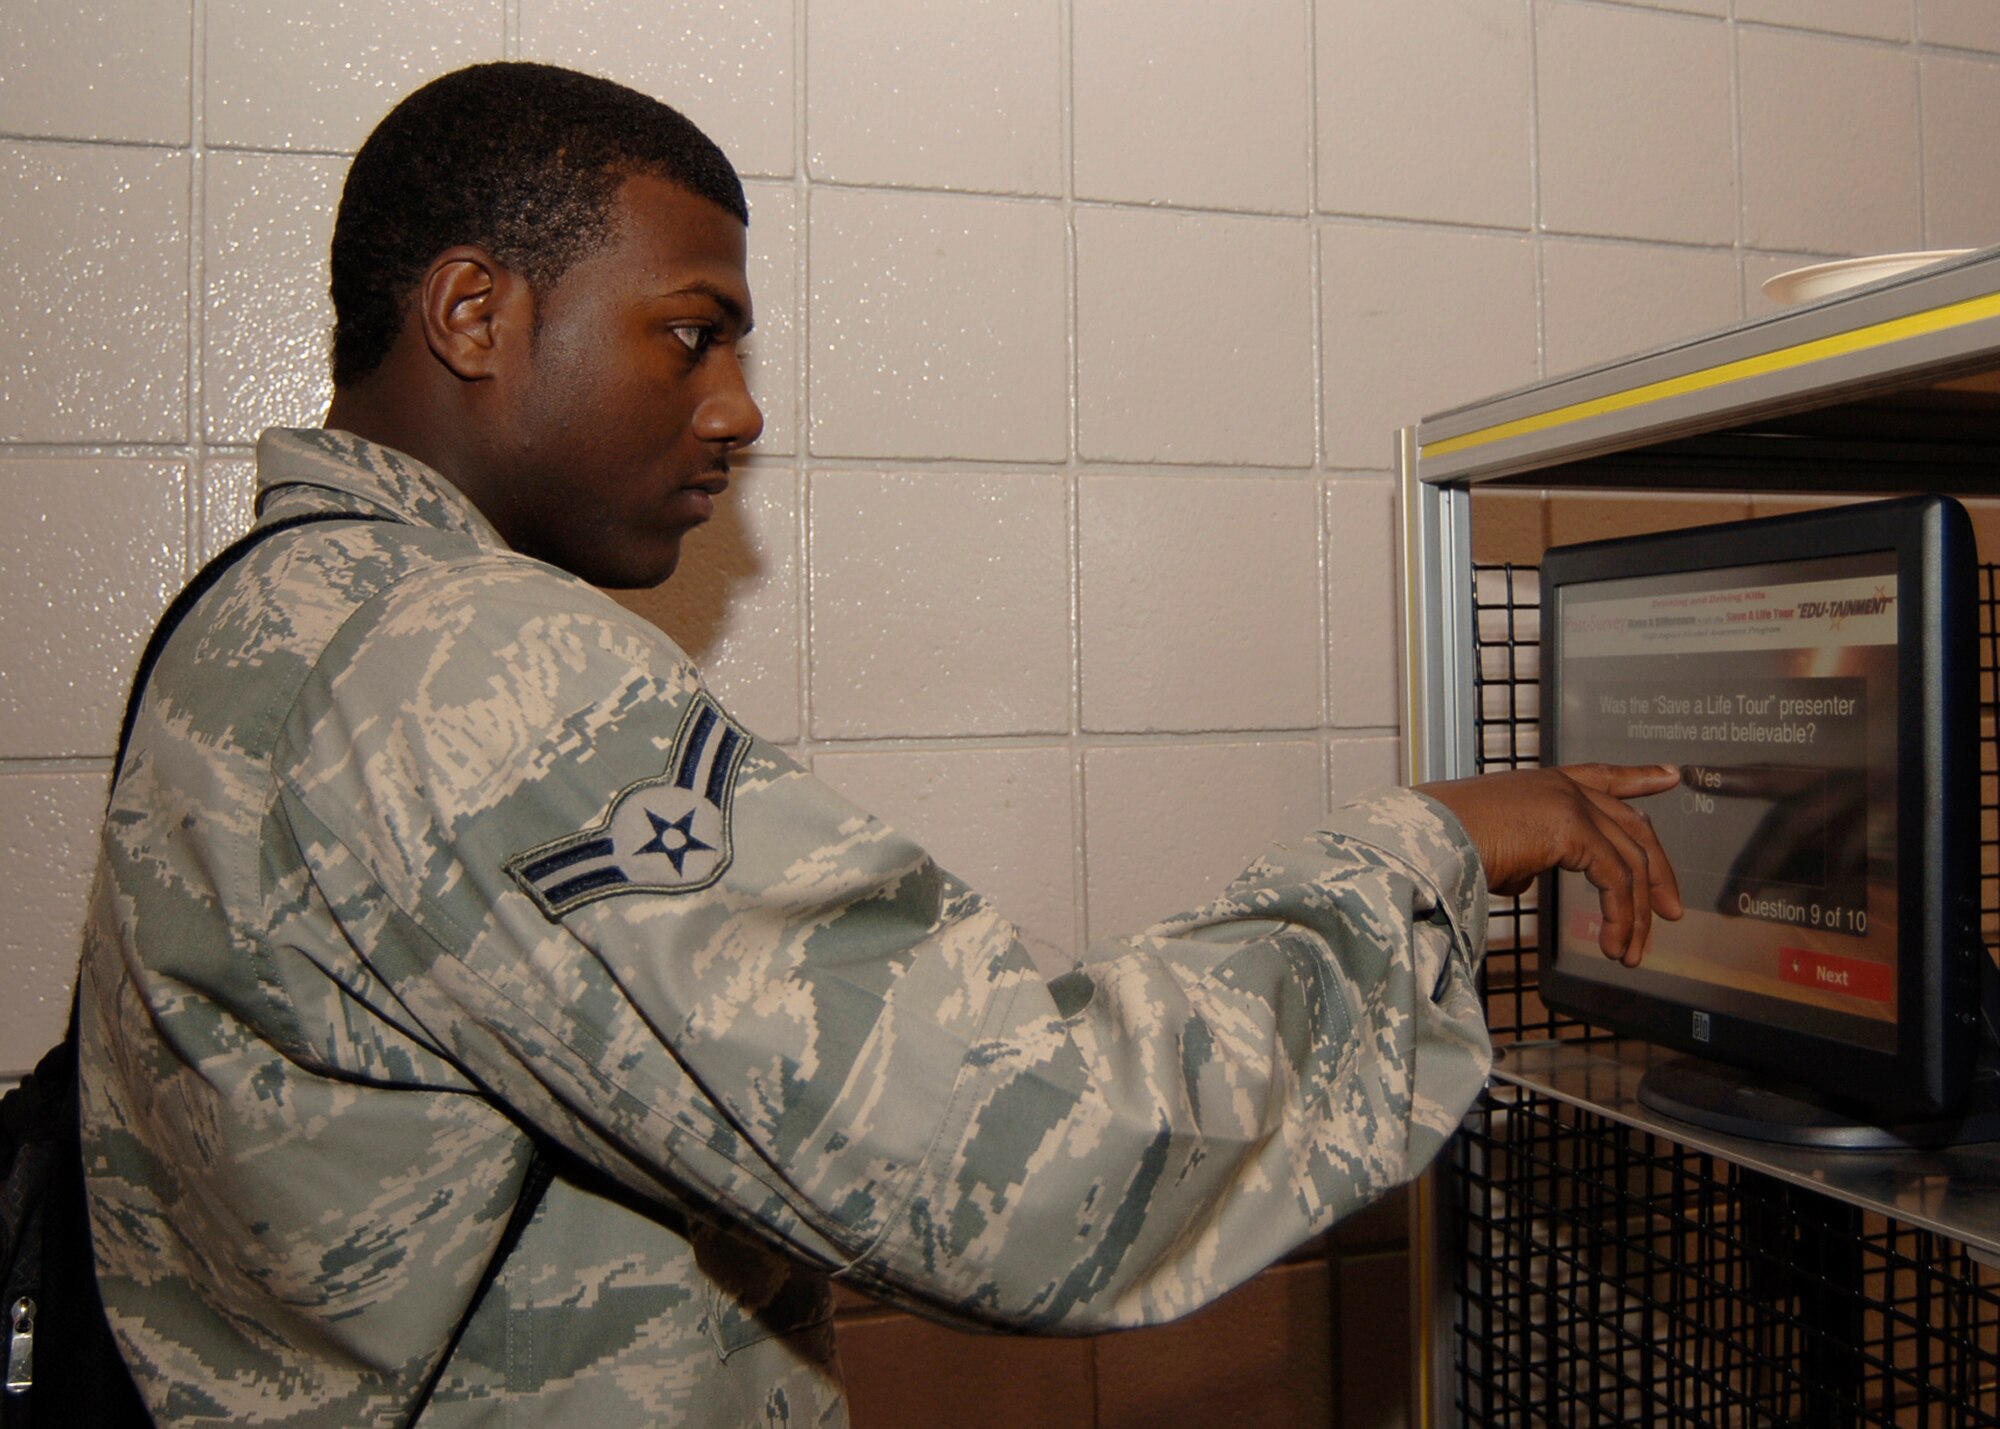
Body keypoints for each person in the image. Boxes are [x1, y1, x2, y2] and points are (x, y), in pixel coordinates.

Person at [75, 62, 1681, 1427]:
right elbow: (1043, 1152)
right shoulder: (466, 666)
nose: (740, 409)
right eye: (692, 333)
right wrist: (1426, 850)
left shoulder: (271, 615)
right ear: (478, 314)